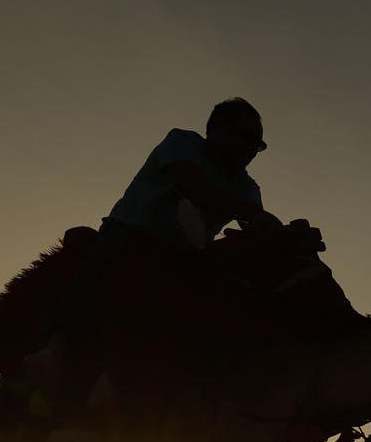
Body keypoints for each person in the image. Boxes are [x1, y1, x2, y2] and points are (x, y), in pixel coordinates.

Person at [24, 97, 282, 409]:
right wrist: (256, 218)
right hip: (130, 237)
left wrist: (285, 237)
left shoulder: (246, 186)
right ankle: (57, 349)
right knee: (96, 278)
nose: (252, 148)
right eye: (247, 137)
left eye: (258, 144)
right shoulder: (183, 143)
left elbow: (259, 233)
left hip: (186, 263)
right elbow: (193, 185)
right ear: (216, 128)